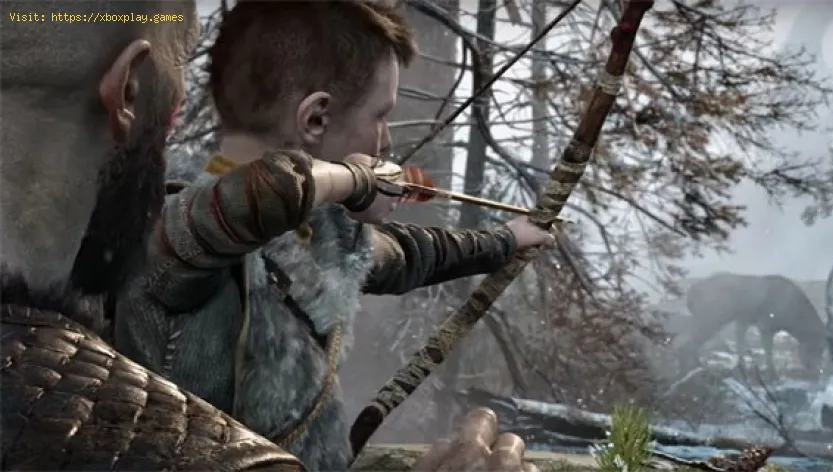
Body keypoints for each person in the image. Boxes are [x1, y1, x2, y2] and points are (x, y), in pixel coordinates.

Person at [0, 0, 538, 470]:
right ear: (316, 119)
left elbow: (410, 252)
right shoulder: (179, 225)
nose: (386, 140)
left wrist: (509, 239)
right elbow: (253, 199)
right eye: (380, 116)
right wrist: (356, 179)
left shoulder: (321, 239)